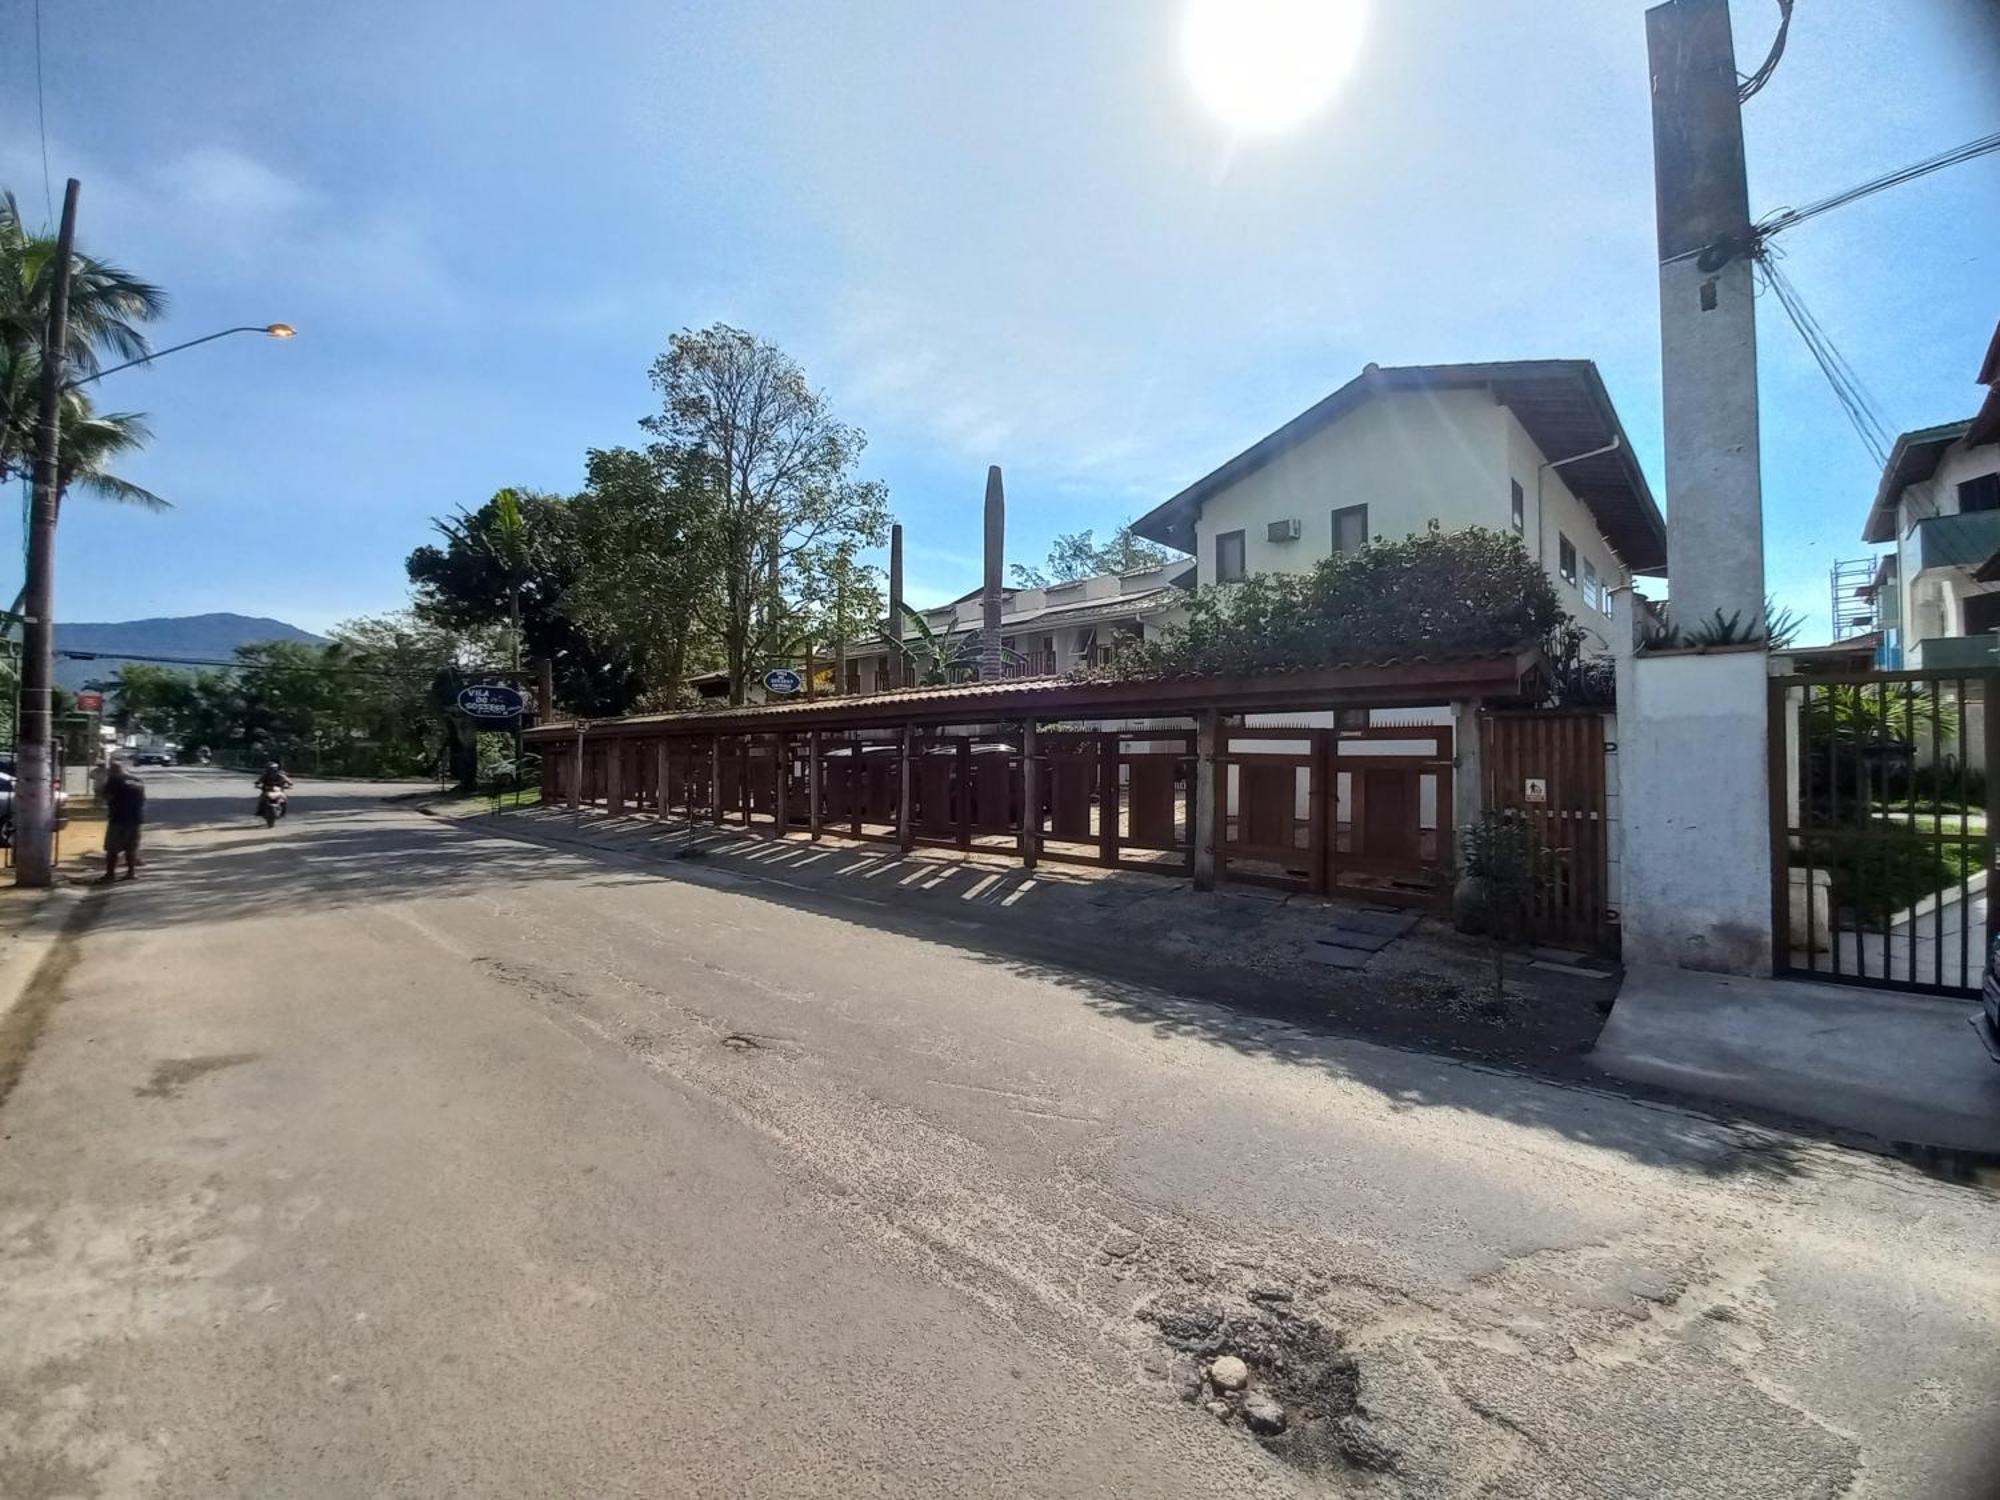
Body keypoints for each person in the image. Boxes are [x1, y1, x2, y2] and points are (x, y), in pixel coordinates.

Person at [101, 761, 145, 883]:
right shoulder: (138, 781)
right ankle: (131, 873)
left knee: (112, 848)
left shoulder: (114, 779)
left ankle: (110, 875)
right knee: (131, 848)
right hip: (136, 819)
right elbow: (142, 800)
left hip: (118, 818)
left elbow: (107, 797)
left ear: (113, 770)